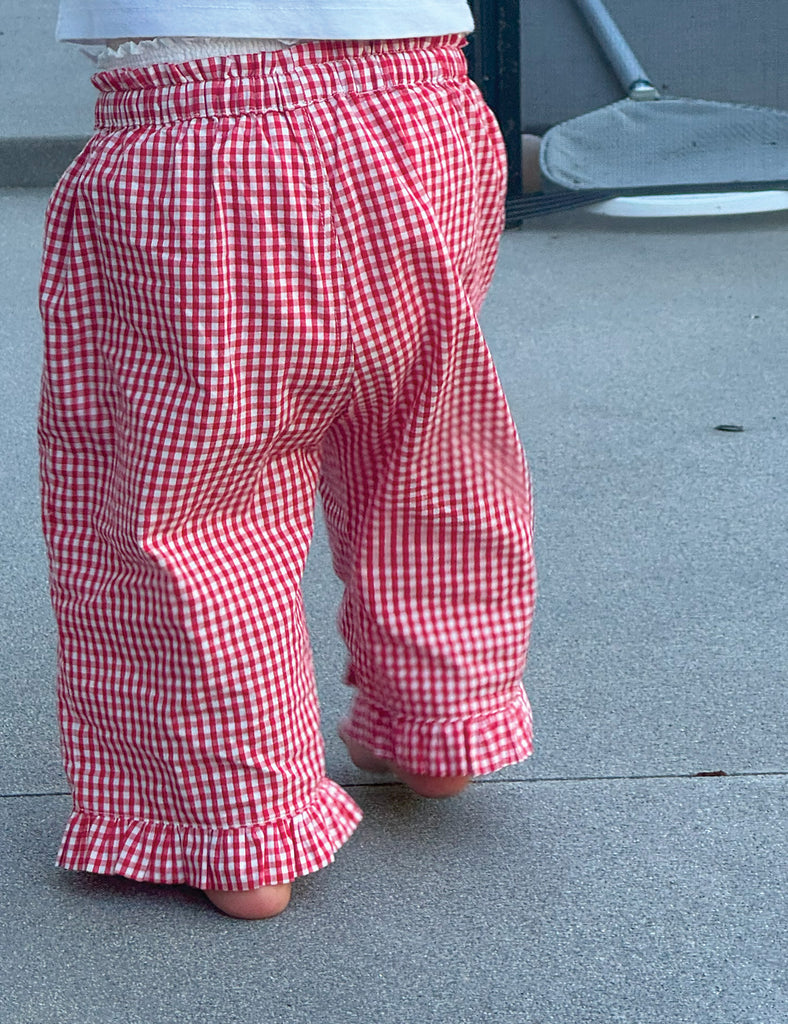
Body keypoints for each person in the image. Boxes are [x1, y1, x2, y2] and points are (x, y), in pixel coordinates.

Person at [39, 1, 537, 919]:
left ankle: (238, 832)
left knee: (196, 507)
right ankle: (441, 722)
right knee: (422, 443)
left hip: (192, 144)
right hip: (420, 107)